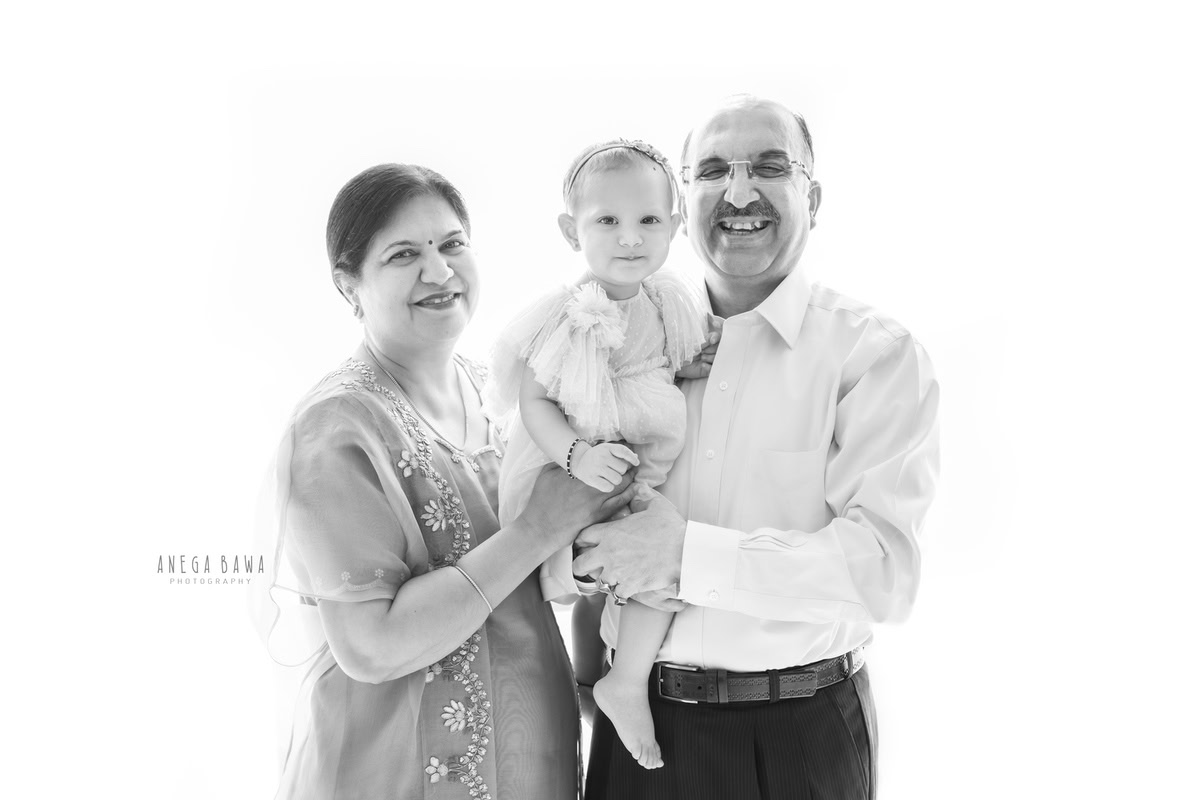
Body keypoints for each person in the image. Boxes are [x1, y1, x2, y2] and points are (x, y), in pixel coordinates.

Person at [573, 96, 941, 799]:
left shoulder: (874, 354)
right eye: (712, 171)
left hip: (798, 737)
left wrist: (686, 557)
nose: (738, 192)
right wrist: (580, 555)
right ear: (684, 200)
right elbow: (567, 507)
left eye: (770, 166)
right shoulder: (621, 342)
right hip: (635, 724)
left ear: (814, 196)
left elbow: (883, 572)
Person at [254, 163, 636, 800]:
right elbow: (371, 646)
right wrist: (540, 527)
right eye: (404, 254)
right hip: (396, 771)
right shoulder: (337, 431)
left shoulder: (503, 392)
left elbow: (541, 579)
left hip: (529, 753)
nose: (438, 271)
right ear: (349, 286)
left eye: (452, 244)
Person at [482, 139, 713, 770]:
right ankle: (623, 681)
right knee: (657, 569)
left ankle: (611, 679)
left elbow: (663, 356)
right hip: (576, 462)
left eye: (648, 221)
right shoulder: (570, 313)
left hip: (632, 458)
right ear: (571, 230)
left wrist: (694, 359)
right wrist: (576, 454)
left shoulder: (664, 298)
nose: (629, 238)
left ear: (675, 226)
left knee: (653, 562)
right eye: (606, 221)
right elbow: (533, 402)